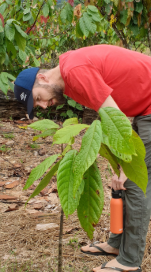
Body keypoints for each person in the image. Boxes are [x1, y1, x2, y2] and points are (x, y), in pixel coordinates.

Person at [14, 44, 151, 272]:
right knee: (121, 181)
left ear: (42, 78)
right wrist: (117, 163)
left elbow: (114, 116)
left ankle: (130, 261)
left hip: (148, 106)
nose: (43, 106)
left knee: (134, 183)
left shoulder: (74, 71)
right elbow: (107, 111)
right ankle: (116, 244)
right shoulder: (69, 78)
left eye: (38, 98)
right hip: (141, 107)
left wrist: (125, 165)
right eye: (37, 105)